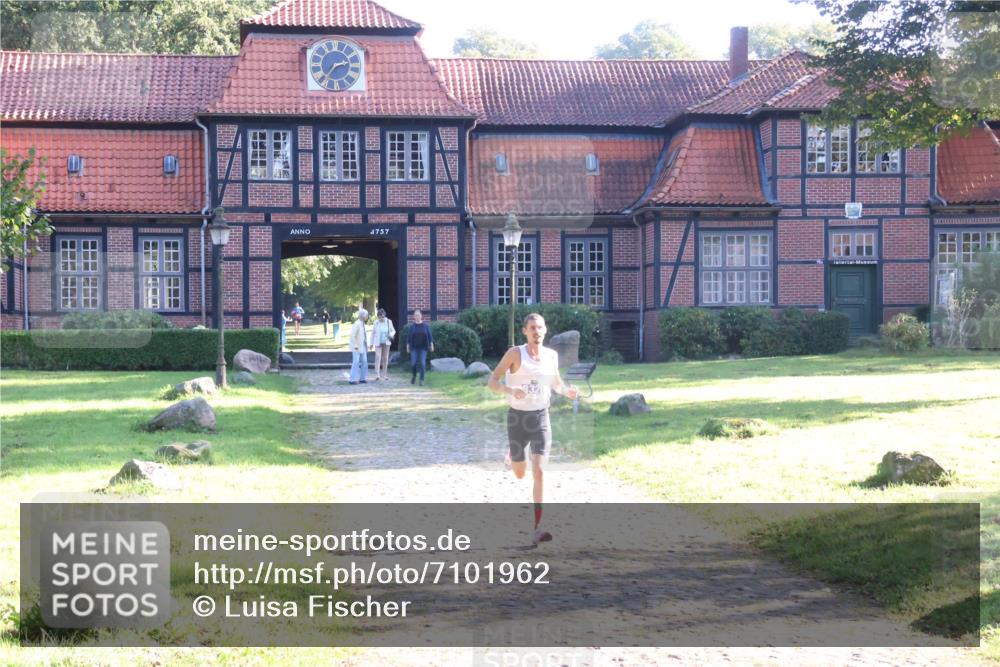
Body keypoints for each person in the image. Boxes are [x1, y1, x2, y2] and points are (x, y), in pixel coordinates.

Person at [487, 313, 578, 546]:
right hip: (517, 419)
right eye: (532, 328)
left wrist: (566, 391)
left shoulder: (551, 356)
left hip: (540, 418)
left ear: (545, 330)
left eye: (540, 328)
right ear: (524, 331)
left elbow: (556, 383)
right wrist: (510, 391)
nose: (537, 332)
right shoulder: (515, 354)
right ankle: (511, 456)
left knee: (539, 471)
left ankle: (537, 527)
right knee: (520, 473)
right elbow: (493, 382)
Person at [405, 309, 434, 386]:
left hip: (423, 348)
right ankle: (414, 376)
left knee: (422, 363)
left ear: (421, 316)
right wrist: (407, 347)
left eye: (418, 315)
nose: (417, 316)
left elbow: (430, 336)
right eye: (415, 315)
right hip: (414, 347)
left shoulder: (425, 326)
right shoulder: (412, 326)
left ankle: (421, 379)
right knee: (413, 364)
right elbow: (408, 338)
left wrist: (432, 345)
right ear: (414, 317)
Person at [370, 308, 396, 381]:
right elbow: (373, 333)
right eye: (379, 317)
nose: (381, 318)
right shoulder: (376, 322)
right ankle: (377, 374)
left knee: (385, 358)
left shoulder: (389, 322)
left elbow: (393, 330)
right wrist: (371, 343)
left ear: (384, 315)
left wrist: (390, 335)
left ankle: (384, 374)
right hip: (378, 342)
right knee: (378, 357)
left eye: (382, 317)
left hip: (386, 342)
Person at [349, 309, 370, 384]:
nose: (367, 317)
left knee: (364, 362)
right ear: (362, 316)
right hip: (357, 346)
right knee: (356, 362)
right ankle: (352, 379)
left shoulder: (363, 323)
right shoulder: (357, 324)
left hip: (363, 345)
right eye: (366, 315)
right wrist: (355, 346)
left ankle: (362, 378)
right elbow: (352, 336)